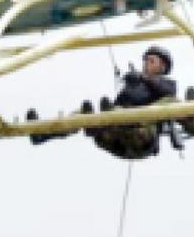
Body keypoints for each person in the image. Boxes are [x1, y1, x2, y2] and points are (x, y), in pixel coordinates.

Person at [28, 44, 178, 160]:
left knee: (168, 102)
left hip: (141, 140)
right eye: (145, 60)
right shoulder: (134, 85)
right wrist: (131, 85)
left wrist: (142, 78)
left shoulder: (168, 85)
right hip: (115, 140)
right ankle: (42, 133)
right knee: (82, 114)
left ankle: (106, 121)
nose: (146, 64)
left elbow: (168, 92)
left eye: (151, 61)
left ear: (162, 66)